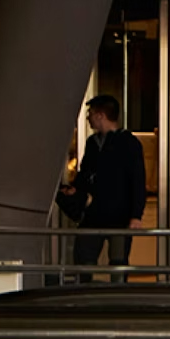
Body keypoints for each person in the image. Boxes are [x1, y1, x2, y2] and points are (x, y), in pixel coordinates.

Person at [66, 96, 143, 279]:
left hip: (119, 215)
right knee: (83, 259)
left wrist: (136, 215)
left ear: (100, 115)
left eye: (90, 113)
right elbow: (85, 173)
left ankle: (118, 294)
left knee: (118, 262)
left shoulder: (129, 143)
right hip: (93, 213)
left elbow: (138, 180)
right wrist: (75, 189)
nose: (88, 118)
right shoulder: (92, 143)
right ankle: (84, 292)